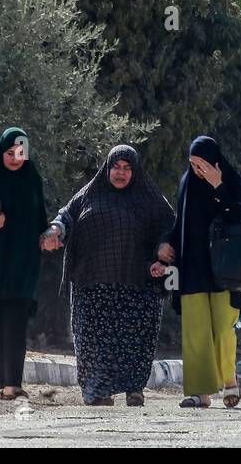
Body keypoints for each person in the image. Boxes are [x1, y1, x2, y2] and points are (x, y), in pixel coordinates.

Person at [45, 145, 172, 406]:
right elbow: (66, 216)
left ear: (135, 171)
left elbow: (170, 227)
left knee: (135, 340)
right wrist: (55, 229)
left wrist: (163, 250)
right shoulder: (90, 194)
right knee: (93, 341)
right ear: (107, 168)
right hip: (92, 283)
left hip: (138, 285)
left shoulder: (150, 199)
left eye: (127, 168)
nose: (121, 173)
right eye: (116, 167)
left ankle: (134, 388)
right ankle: (96, 391)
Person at [159, 136, 241, 409]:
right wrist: (166, 244)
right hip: (192, 266)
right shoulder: (187, 182)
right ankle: (200, 392)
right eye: (193, 164)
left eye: (203, 164)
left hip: (223, 269)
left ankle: (229, 381)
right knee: (196, 331)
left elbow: (236, 216)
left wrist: (217, 184)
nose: (198, 170)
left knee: (223, 328)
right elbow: (181, 221)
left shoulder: (232, 180)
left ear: (214, 162)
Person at [0, 127, 48, 400]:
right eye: (10, 153)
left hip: (23, 264)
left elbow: (41, 218)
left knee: (16, 320)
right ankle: (4, 382)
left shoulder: (31, 178)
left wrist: (48, 235)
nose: (16, 159)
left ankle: (13, 383)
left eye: (21, 153)